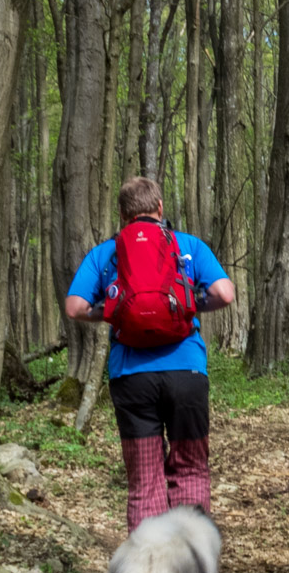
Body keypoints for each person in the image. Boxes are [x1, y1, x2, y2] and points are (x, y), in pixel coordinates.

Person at [64, 176, 235, 532]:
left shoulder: (104, 253)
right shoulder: (187, 245)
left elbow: (75, 307)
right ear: (160, 209)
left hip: (131, 376)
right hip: (186, 372)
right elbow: (225, 293)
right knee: (189, 470)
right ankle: (189, 569)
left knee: (145, 482)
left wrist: (108, 312)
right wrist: (188, 307)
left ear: (123, 215)